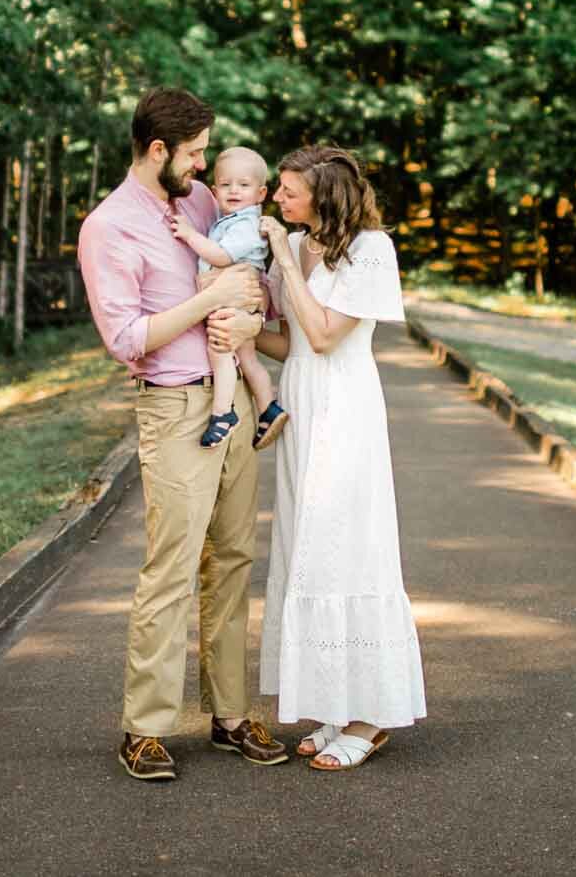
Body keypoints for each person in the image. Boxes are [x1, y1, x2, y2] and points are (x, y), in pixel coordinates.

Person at [76, 88, 291, 782]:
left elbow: (248, 282)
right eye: (196, 152)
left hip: (230, 402)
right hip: (173, 410)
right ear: (159, 149)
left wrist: (251, 317)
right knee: (171, 566)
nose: (205, 166)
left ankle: (231, 714)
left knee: (232, 558)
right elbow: (126, 337)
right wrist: (209, 301)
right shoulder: (108, 227)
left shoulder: (202, 203)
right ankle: (144, 727)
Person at [253, 145, 427, 771]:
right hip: (303, 403)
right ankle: (332, 701)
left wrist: (285, 266)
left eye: (289, 192)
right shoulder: (298, 247)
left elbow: (326, 335)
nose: (278, 199)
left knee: (350, 545)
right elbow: (294, 343)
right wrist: (244, 333)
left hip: (347, 409)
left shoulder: (372, 250)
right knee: (308, 548)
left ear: (324, 197)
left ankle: (371, 716)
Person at [168, 145, 288, 450]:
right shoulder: (230, 220)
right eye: (225, 184)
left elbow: (222, 256)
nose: (234, 190)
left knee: (220, 351)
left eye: (244, 185)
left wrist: (189, 235)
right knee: (246, 357)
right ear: (214, 189)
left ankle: (223, 414)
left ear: (261, 194)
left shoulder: (246, 224)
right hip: (236, 297)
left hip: (234, 298)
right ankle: (268, 407)